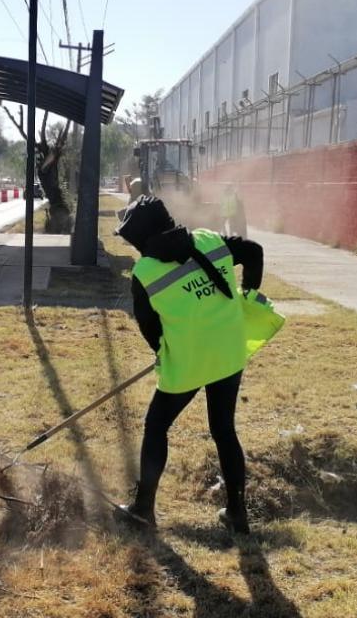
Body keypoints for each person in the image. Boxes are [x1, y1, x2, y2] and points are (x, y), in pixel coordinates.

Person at [114, 195, 265, 534]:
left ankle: (143, 510)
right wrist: (248, 299)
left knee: (156, 426)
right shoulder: (209, 240)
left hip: (188, 361)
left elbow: (149, 327)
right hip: (228, 352)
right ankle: (237, 513)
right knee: (223, 429)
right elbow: (254, 252)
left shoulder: (145, 272)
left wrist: (163, 351)